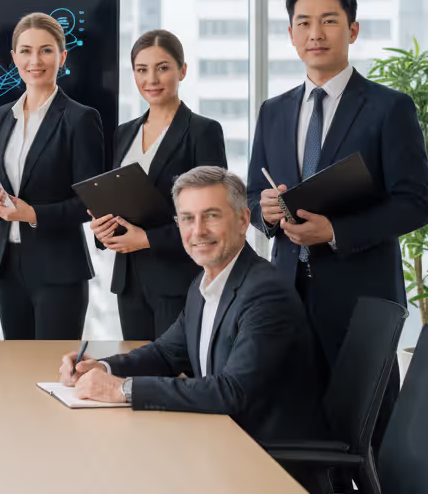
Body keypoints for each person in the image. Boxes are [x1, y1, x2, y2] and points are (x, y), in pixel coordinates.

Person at [247, 0, 428, 445]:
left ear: (352, 29)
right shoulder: (273, 111)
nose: (316, 33)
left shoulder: (389, 109)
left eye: (329, 21)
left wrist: (334, 231)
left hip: (362, 302)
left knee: (375, 438)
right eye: (304, 22)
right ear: (290, 34)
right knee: (296, 433)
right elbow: (251, 195)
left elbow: (415, 204)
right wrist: (265, 211)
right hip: (288, 298)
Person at [60, 167, 326, 444]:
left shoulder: (266, 293)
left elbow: (232, 392)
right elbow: (166, 354)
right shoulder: (206, 281)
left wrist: (124, 389)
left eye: (211, 216)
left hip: (265, 454)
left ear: (244, 219)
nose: (197, 231)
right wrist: (102, 368)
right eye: (187, 219)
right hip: (218, 437)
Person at [0, 12, 104, 340]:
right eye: (26, 51)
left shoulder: (80, 119)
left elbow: (91, 202)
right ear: (14, 58)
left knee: (51, 373)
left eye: (46, 50)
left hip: (58, 269)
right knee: (15, 372)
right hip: (7, 267)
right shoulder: (2, 118)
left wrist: (32, 214)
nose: (35, 60)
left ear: (62, 56)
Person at [89, 29, 226, 341]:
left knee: (172, 378)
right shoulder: (123, 134)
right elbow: (117, 202)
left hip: (177, 279)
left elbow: (212, 216)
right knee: (137, 372)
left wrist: (147, 238)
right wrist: (102, 230)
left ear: (182, 70)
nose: (151, 79)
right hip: (129, 282)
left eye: (162, 68)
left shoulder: (202, 132)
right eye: (142, 70)